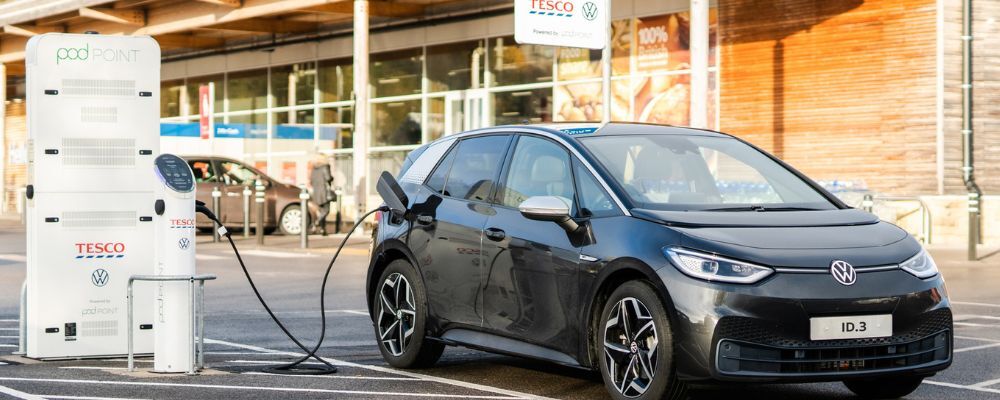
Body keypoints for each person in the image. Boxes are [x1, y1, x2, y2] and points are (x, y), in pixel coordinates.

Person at [309, 154, 334, 236]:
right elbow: (328, 178)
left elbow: (311, 181)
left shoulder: (314, 168)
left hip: (316, 193)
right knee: (326, 210)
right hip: (324, 192)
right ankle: (316, 223)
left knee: (321, 211)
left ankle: (323, 230)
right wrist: (332, 178)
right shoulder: (325, 166)